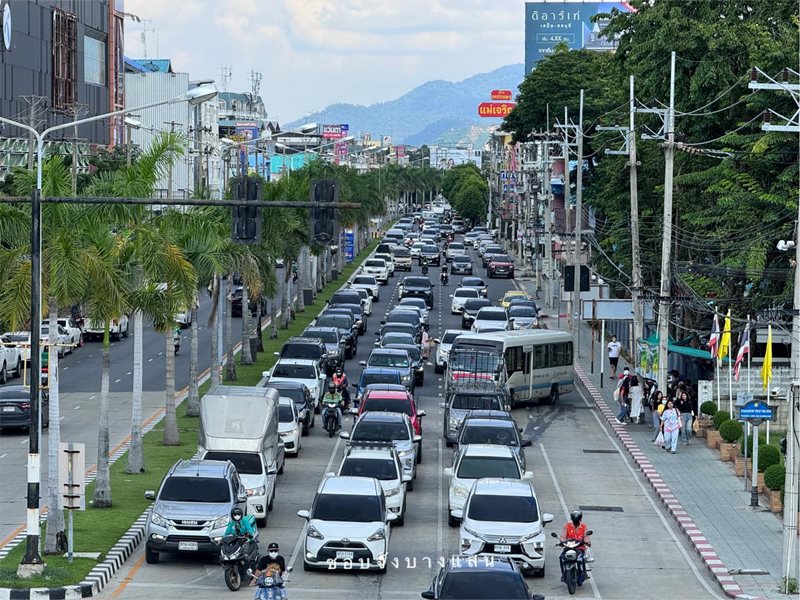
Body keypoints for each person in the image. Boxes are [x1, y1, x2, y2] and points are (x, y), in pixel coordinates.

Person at [559, 510, 591, 584]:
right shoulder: (567, 526)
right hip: (568, 547)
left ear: (580, 519)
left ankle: (583, 574)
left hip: (579, 548)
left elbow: (587, 537)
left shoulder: (584, 527)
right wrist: (561, 541)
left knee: (581, 560)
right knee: (561, 558)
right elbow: (563, 536)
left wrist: (586, 542)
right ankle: (563, 574)